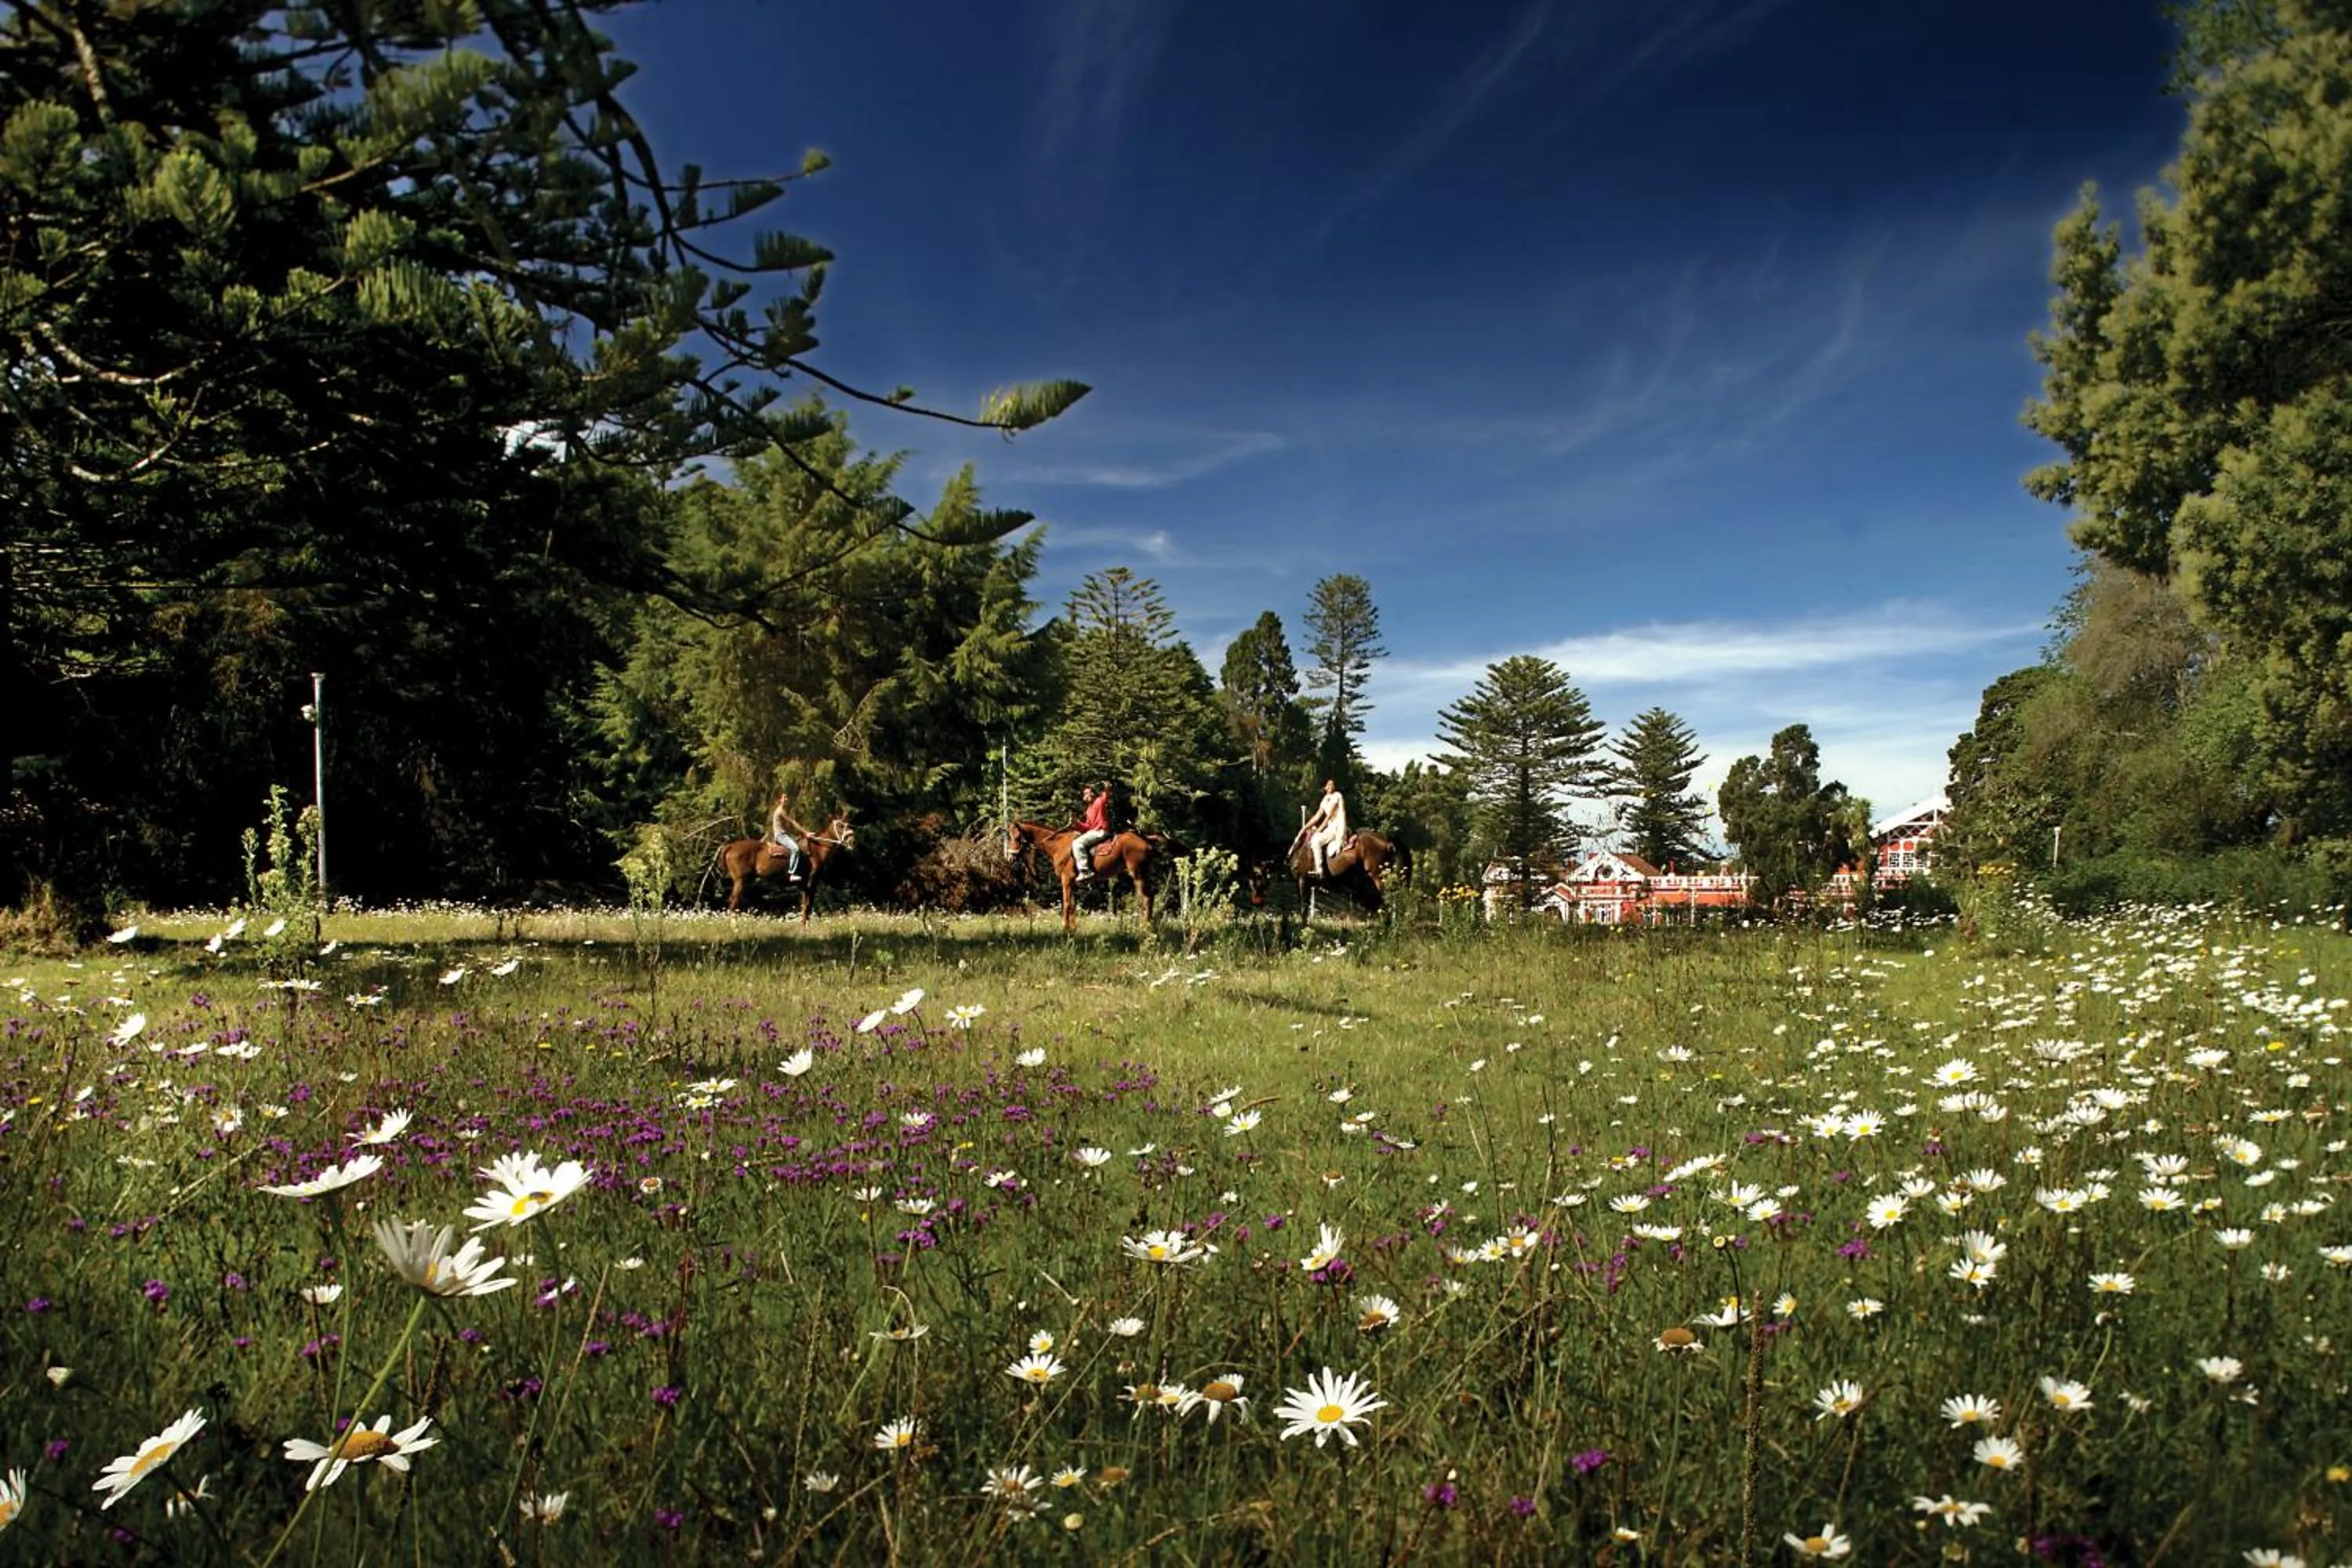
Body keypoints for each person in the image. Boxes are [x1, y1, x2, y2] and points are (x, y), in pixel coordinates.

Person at [1302, 777, 1349, 878]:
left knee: (1315, 840)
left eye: (1332, 785)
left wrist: (1318, 830)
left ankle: (1319, 870)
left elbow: (1329, 816)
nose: (1331, 786)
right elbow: (1317, 816)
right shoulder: (1324, 800)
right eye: (1328, 785)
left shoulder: (1337, 795)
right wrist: (1305, 827)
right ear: (1325, 787)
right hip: (1330, 828)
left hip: (1337, 828)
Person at [1069, 782, 1112, 880]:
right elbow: (1088, 827)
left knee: (1077, 843)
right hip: (1094, 831)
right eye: (1085, 794)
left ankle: (1085, 871)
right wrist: (1076, 823)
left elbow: (1105, 796)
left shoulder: (1098, 801)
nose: (1088, 795)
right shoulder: (1088, 810)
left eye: (1089, 792)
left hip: (1100, 831)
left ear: (1093, 794)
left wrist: (1107, 788)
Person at [768, 790, 806, 880]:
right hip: (781, 836)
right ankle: (791, 874)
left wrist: (800, 834)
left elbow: (788, 828)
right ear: (780, 800)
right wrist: (805, 832)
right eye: (784, 798)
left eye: (787, 797)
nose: (787, 799)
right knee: (795, 849)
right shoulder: (780, 811)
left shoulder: (782, 811)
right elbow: (792, 822)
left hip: (783, 834)